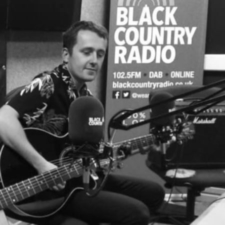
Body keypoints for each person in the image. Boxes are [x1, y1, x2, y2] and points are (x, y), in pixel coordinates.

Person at [0, 21, 165, 225]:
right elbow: (3, 119)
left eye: (100, 54)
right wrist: (41, 164)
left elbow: (88, 153)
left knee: (153, 193)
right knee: (136, 213)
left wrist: (114, 156)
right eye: (86, 52)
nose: (94, 60)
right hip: (39, 187)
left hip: (76, 177)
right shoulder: (48, 84)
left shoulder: (85, 98)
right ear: (66, 55)